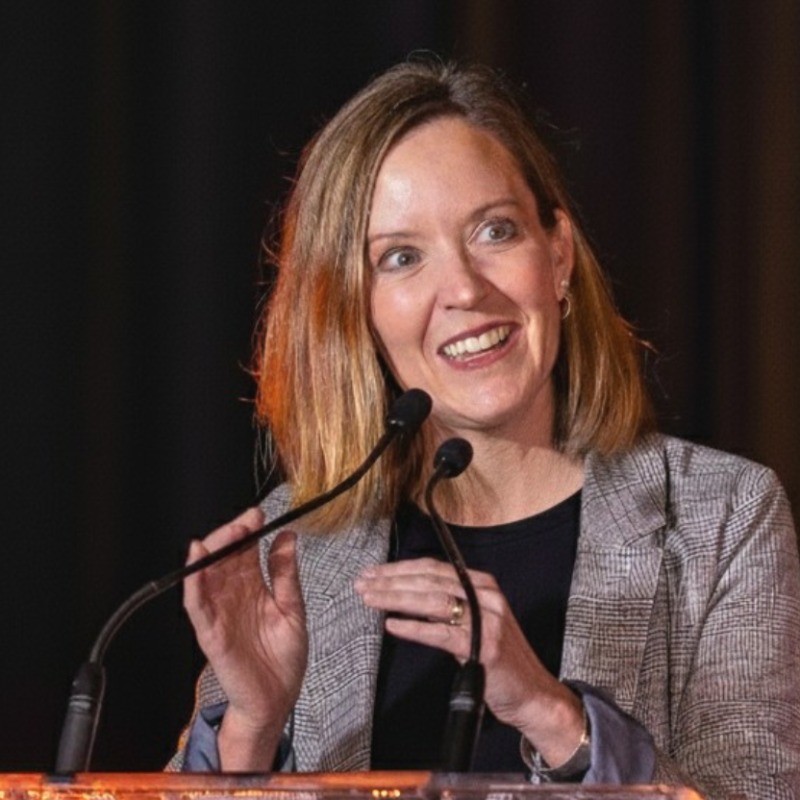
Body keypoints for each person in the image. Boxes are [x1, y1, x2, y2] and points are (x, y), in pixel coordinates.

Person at [169, 60, 800, 798]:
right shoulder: (295, 546)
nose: (466, 289)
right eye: (402, 258)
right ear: (355, 310)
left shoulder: (721, 517)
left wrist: (549, 712)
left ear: (558, 256)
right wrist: (254, 722)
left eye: (495, 231)